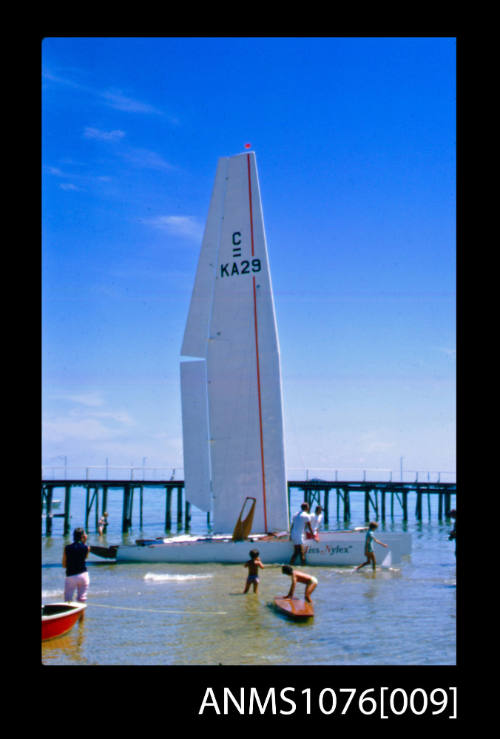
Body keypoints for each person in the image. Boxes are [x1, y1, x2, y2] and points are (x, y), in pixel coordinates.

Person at [63, 527, 90, 602]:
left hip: (71, 575)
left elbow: (64, 564)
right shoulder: (87, 548)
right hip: (83, 575)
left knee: (68, 599)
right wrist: (85, 541)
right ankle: (81, 614)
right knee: (82, 599)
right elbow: (85, 557)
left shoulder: (67, 548)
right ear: (83, 537)